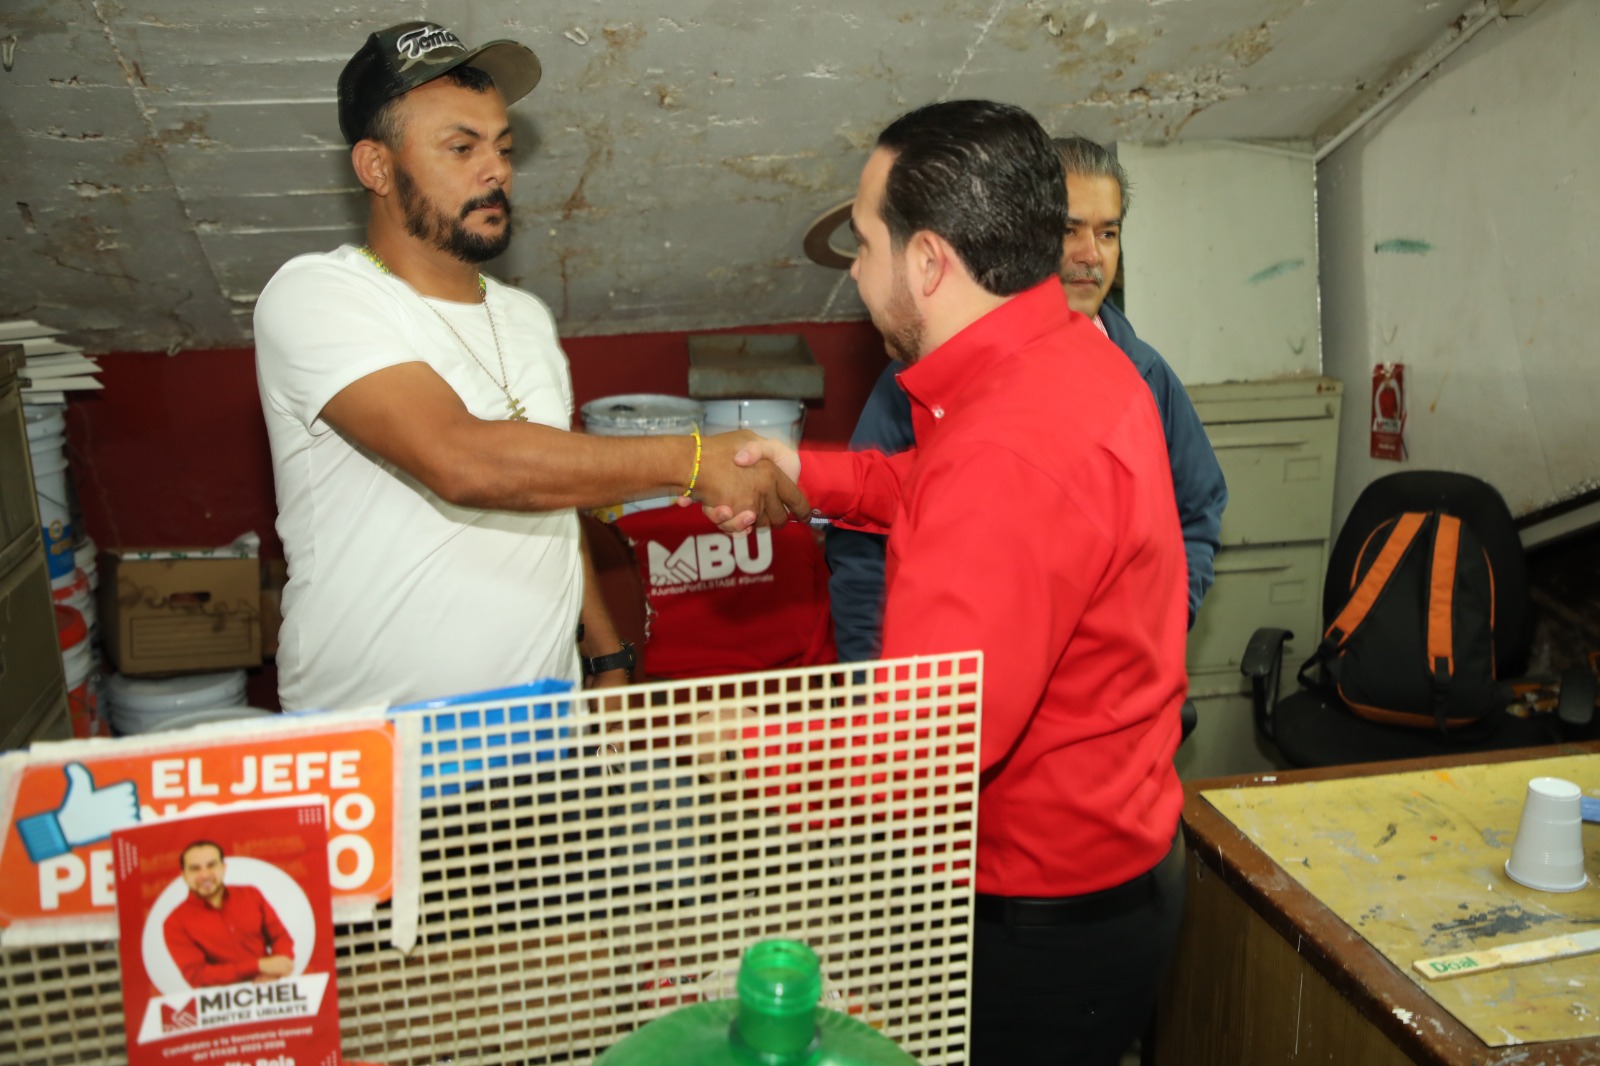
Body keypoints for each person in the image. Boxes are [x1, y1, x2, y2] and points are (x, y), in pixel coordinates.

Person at [730, 100, 1188, 1065]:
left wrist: (725, 745)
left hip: (1042, 931)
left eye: (865, 244)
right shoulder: (1063, 357)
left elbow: (921, 751)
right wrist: (803, 473)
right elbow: (940, 492)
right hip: (1109, 876)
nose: (857, 273)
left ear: (930, 262)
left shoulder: (1006, 452)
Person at [253, 21, 806, 711]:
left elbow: (547, 486)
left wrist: (605, 652)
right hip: (379, 733)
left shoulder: (525, 319)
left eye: (504, 147)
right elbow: (462, 461)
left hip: (540, 724)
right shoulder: (318, 296)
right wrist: (692, 460)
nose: (497, 171)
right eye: (462, 148)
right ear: (376, 167)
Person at [825, 135, 1227, 662]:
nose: (1090, 255)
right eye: (1068, 230)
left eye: (1108, 233)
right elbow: (863, 539)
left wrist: (1160, 625)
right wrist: (869, 680)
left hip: (1104, 692)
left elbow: (1196, 510)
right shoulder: (928, 370)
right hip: (954, 688)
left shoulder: (1145, 375)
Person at [163, 841, 295, 988]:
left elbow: (280, 936)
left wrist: (276, 970)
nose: (204, 875)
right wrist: (258, 966)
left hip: (271, 988)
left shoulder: (251, 895)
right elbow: (197, 975)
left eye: (211, 865)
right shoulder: (174, 922)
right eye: (195, 869)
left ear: (223, 867)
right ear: (184, 875)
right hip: (221, 999)